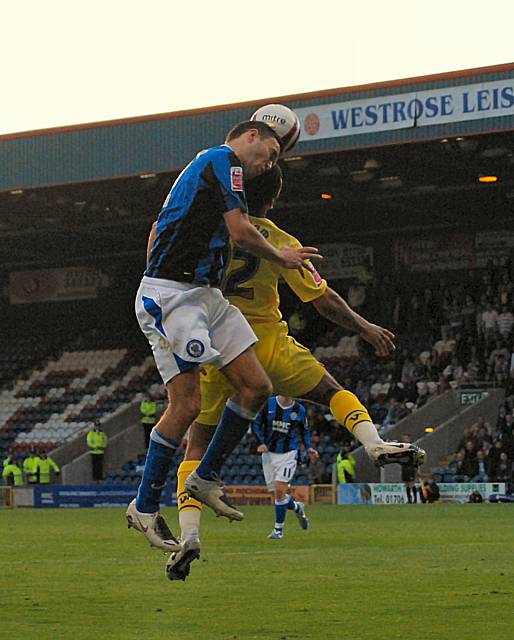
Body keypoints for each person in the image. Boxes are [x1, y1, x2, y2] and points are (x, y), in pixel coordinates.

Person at [168, 165, 425, 580]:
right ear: (270, 200)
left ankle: (190, 534)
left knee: (195, 446)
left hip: (215, 347)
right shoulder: (281, 242)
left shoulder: (210, 234)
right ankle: (373, 442)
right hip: (267, 344)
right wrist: (364, 327)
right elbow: (322, 300)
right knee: (329, 390)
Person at [126, 120, 320, 554]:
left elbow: (158, 229)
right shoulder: (222, 159)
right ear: (252, 135)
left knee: (257, 386)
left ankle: (205, 475)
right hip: (175, 296)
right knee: (188, 405)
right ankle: (143, 506)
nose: (269, 163)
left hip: (205, 295)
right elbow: (240, 231)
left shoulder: (205, 174)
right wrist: (283, 258)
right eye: (270, 152)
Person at [251, 395, 317, 540]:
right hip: (268, 454)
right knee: (276, 495)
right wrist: (260, 442)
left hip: (288, 454)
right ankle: (297, 507)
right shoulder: (268, 404)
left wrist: (309, 448)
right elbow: (255, 423)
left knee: (280, 490)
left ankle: (278, 530)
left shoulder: (299, 409)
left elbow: (304, 431)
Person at [400, 433, 418, 504]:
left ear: (409, 439)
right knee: (407, 484)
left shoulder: (412, 447)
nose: (404, 439)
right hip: (404, 467)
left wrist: (416, 466)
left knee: (411, 484)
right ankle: (409, 499)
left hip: (410, 467)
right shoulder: (402, 447)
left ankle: (415, 499)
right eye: (403, 438)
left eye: (405, 438)